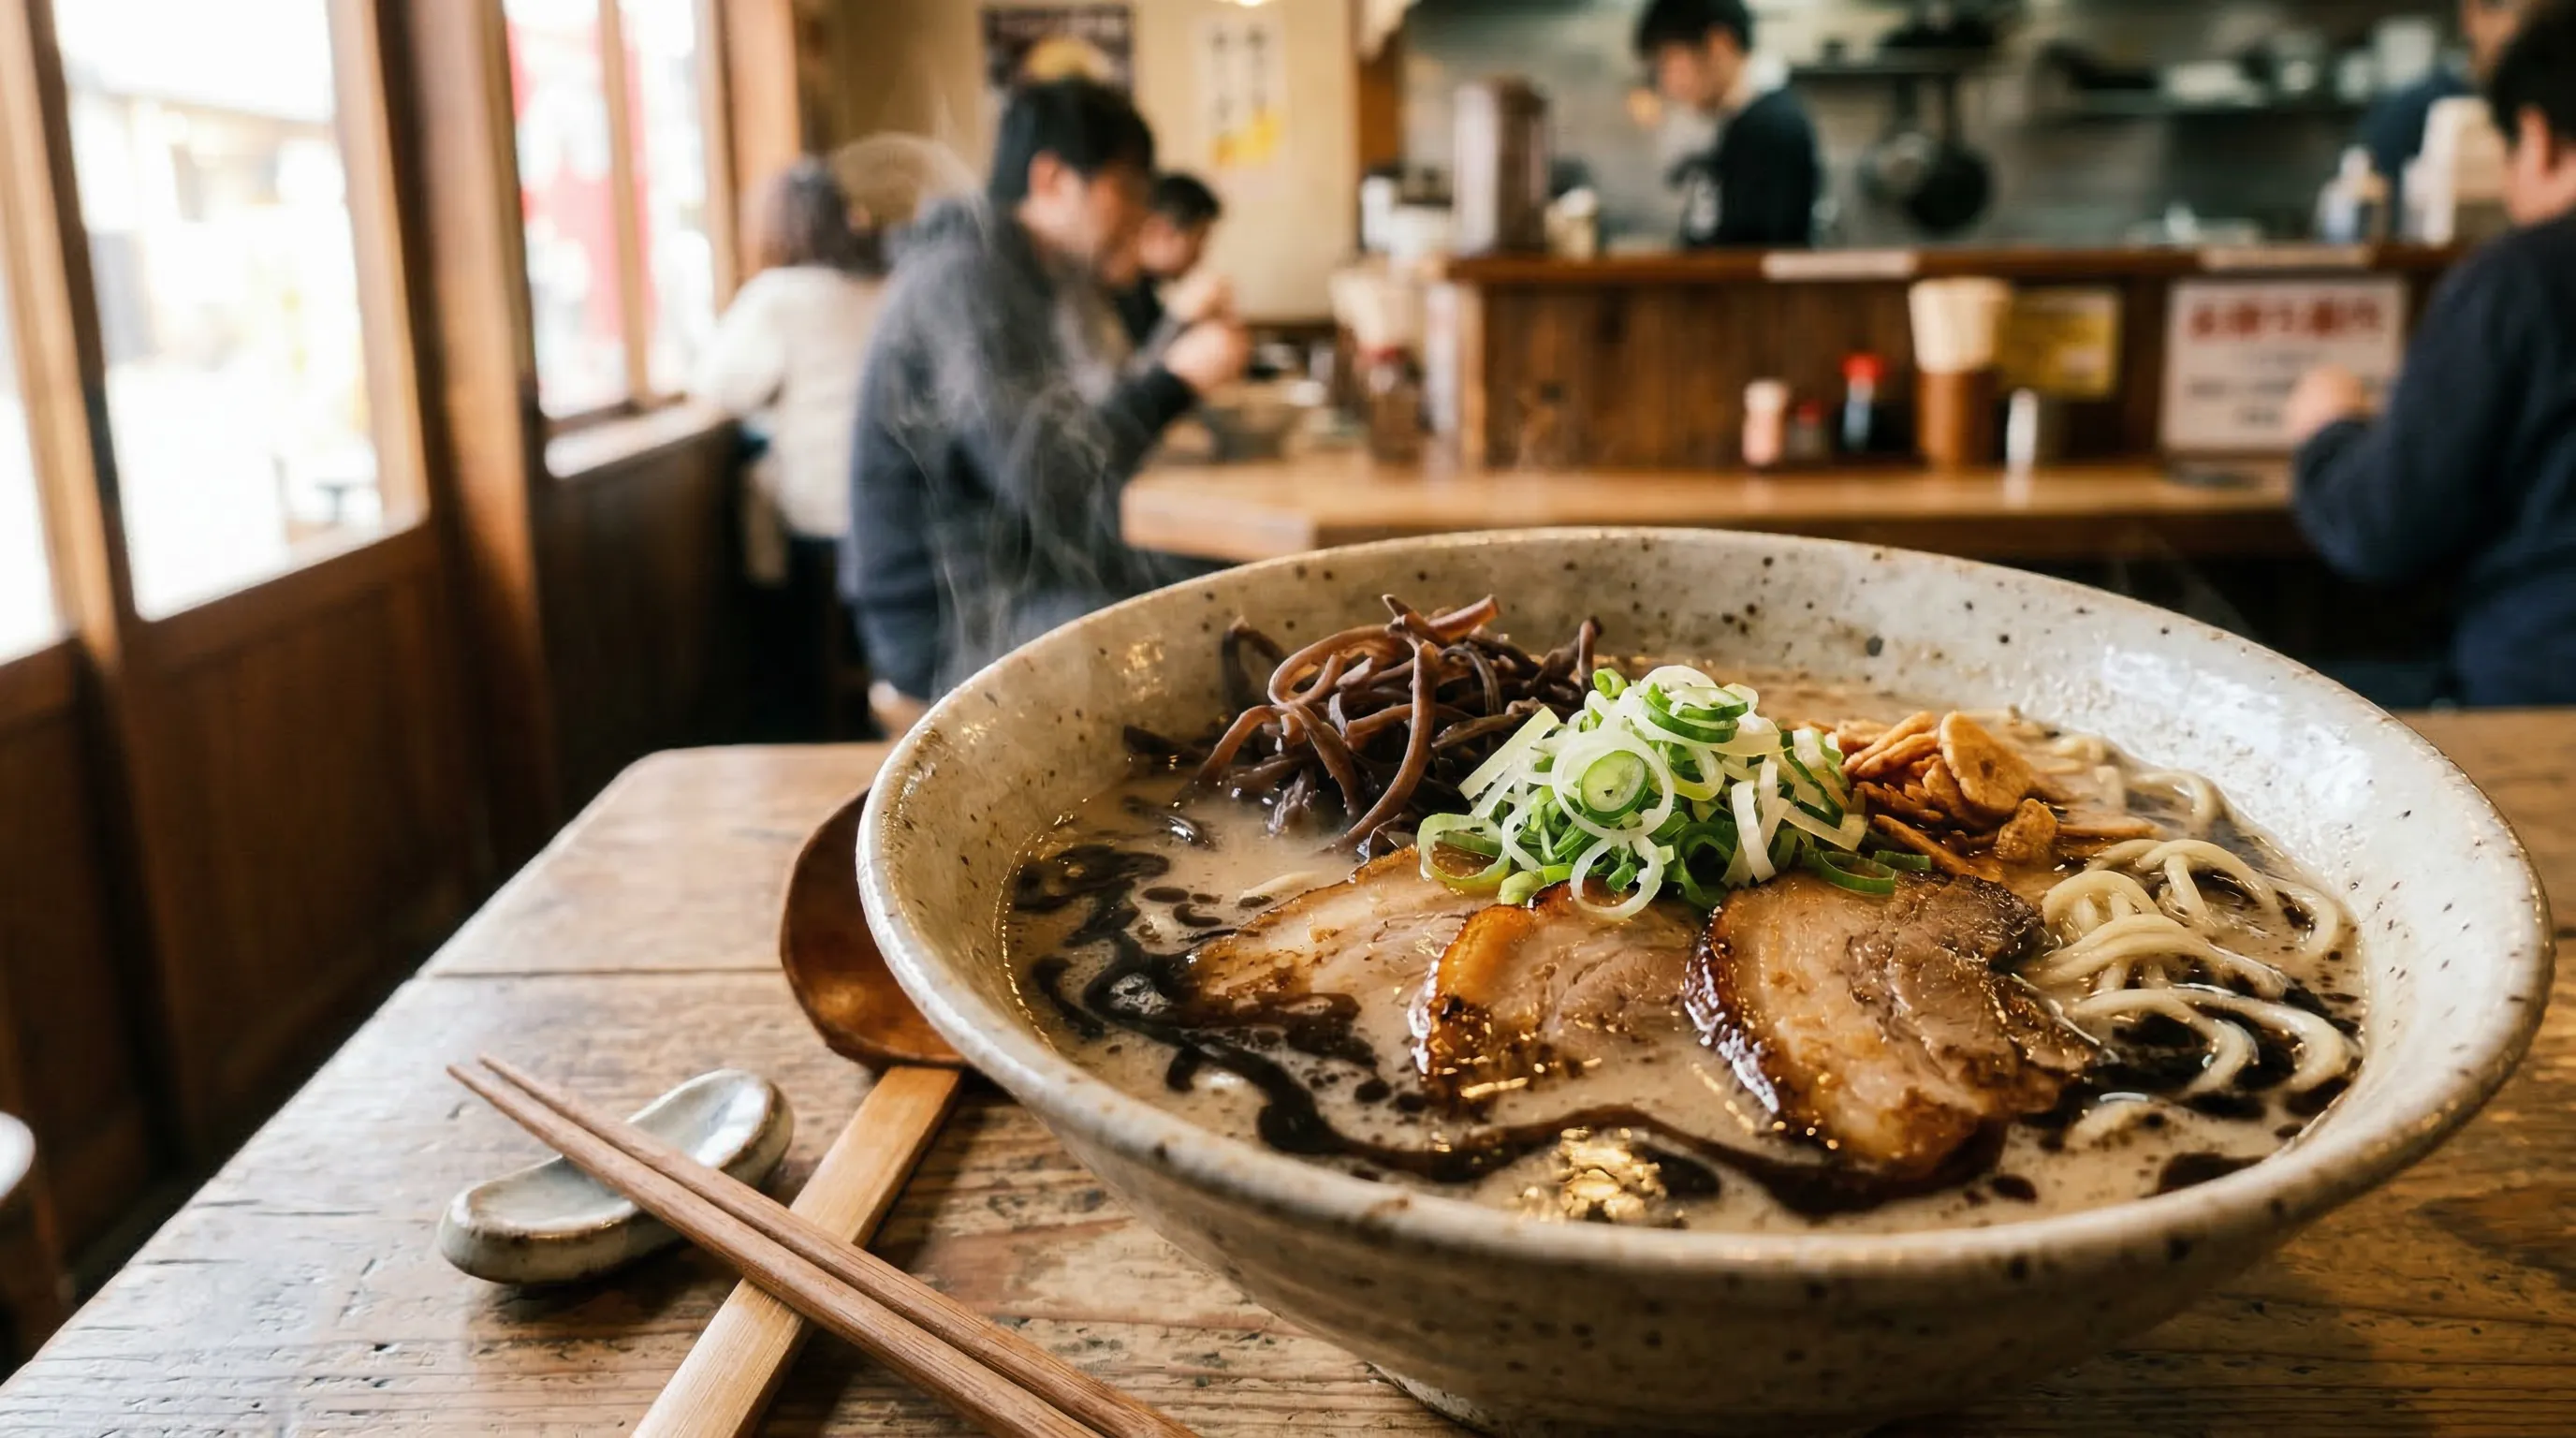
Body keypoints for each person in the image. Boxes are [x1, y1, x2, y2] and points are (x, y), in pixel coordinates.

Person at [843, 79, 1251, 734]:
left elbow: (1076, 442)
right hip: (949, 620)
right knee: (1213, 636)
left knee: (1234, 594)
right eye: (1130, 187)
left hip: (1020, 576)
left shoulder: (1023, 276)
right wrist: (1172, 381)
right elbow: (1047, 476)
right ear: (1053, 177)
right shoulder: (965, 276)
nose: (1141, 213)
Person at [2286, 0, 2576, 706]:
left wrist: (2326, 430)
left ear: (2535, 137)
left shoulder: (2522, 276)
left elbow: (2378, 530)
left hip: (2535, 700)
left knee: (2263, 695)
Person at [693, 159, 887, 736]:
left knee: (766, 508)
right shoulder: (879, 290)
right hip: (892, 516)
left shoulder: (778, 296)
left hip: (824, 519)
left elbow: (716, 388)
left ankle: (804, 713)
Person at [1634, 0, 1820, 248]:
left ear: (1718, 44)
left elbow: (1752, 258)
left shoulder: (1770, 127)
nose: (1668, 84)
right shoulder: (1736, 119)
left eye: (1668, 61)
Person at [2362, 0, 2534, 201]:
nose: (2521, 26)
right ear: (2471, 15)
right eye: (2509, 9)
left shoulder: (2546, 106)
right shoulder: (2410, 112)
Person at [1113, 171, 1231, 352]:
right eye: (1198, 240)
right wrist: (1180, 316)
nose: (1200, 255)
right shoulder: (1118, 289)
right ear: (1161, 231)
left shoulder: (1144, 290)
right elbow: (1134, 375)